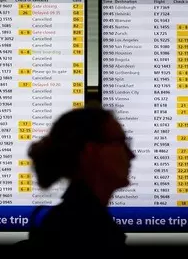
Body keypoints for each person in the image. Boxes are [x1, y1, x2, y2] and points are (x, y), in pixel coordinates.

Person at [26, 102, 135, 248]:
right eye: (121, 143)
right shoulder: (84, 236)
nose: (131, 154)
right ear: (91, 151)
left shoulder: (71, 221)